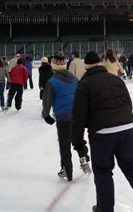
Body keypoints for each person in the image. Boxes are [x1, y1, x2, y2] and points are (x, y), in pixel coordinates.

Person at [71, 51, 133, 212]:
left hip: (103, 133)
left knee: (103, 171)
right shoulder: (115, 79)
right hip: (127, 127)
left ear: (86, 67)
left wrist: (77, 142)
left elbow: (78, 117)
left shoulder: (84, 84)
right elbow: (128, 104)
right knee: (132, 166)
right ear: (100, 64)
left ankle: (105, 209)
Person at [42, 53, 91, 182]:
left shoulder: (52, 81)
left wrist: (46, 115)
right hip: (76, 116)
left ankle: (67, 171)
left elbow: (47, 100)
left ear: (53, 66)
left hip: (63, 117)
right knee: (78, 141)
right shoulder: (75, 79)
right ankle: (84, 158)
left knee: (64, 146)